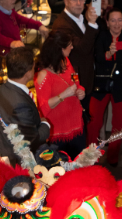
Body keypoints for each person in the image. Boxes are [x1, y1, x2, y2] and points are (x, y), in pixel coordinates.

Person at [88, 9, 122, 164]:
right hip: (101, 84)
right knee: (94, 122)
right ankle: (90, 157)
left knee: (118, 125)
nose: (117, 24)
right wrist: (109, 53)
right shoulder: (100, 36)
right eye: (113, 20)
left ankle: (113, 157)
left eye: (120, 20)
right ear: (108, 22)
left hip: (121, 85)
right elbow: (97, 58)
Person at [0, 47, 51, 166]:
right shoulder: (21, 105)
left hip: (4, 154)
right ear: (28, 72)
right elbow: (33, 140)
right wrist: (46, 124)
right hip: (18, 163)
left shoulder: (2, 89)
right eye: (33, 66)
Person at [35, 30, 88, 158]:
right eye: (70, 45)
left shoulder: (66, 62)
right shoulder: (43, 75)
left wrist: (81, 90)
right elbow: (43, 108)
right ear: (60, 49)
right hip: (57, 133)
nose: (72, 47)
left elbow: (75, 80)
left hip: (76, 126)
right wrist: (64, 95)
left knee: (80, 164)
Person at [50, 0, 101, 116]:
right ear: (66, 1)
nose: (79, 3)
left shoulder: (80, 17)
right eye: (74, 0)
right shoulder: (62, 25)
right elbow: (83, 49)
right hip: (73, 85)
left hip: (86, 80)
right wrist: (92, 24)